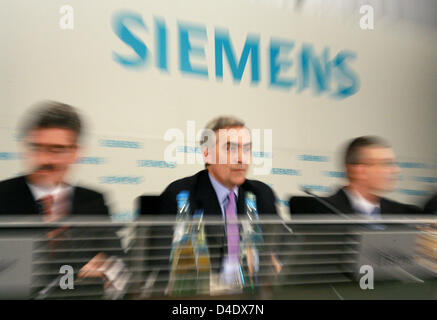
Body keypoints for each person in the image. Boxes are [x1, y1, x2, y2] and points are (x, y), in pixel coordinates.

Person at [0, 101, 127, 297]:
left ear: (75, 152)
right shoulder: (4, 195)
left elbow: (118, 261)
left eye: (56, 150)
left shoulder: (93, 201)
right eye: (37, 147)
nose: (45, 160)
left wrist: (107, 268)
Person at [159, 116, 281, 291]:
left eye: (247, 149)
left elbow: (281, 243)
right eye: (231, 149)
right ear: (207, 153)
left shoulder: (261, 194)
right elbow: (159, 261)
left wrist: (276, 260)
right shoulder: (182, 194)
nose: (241, 158)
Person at [324, 136, 421, 215]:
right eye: (387, 164)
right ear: (360, 171)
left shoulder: (406, 214)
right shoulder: (323, 212)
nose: (396, 170)